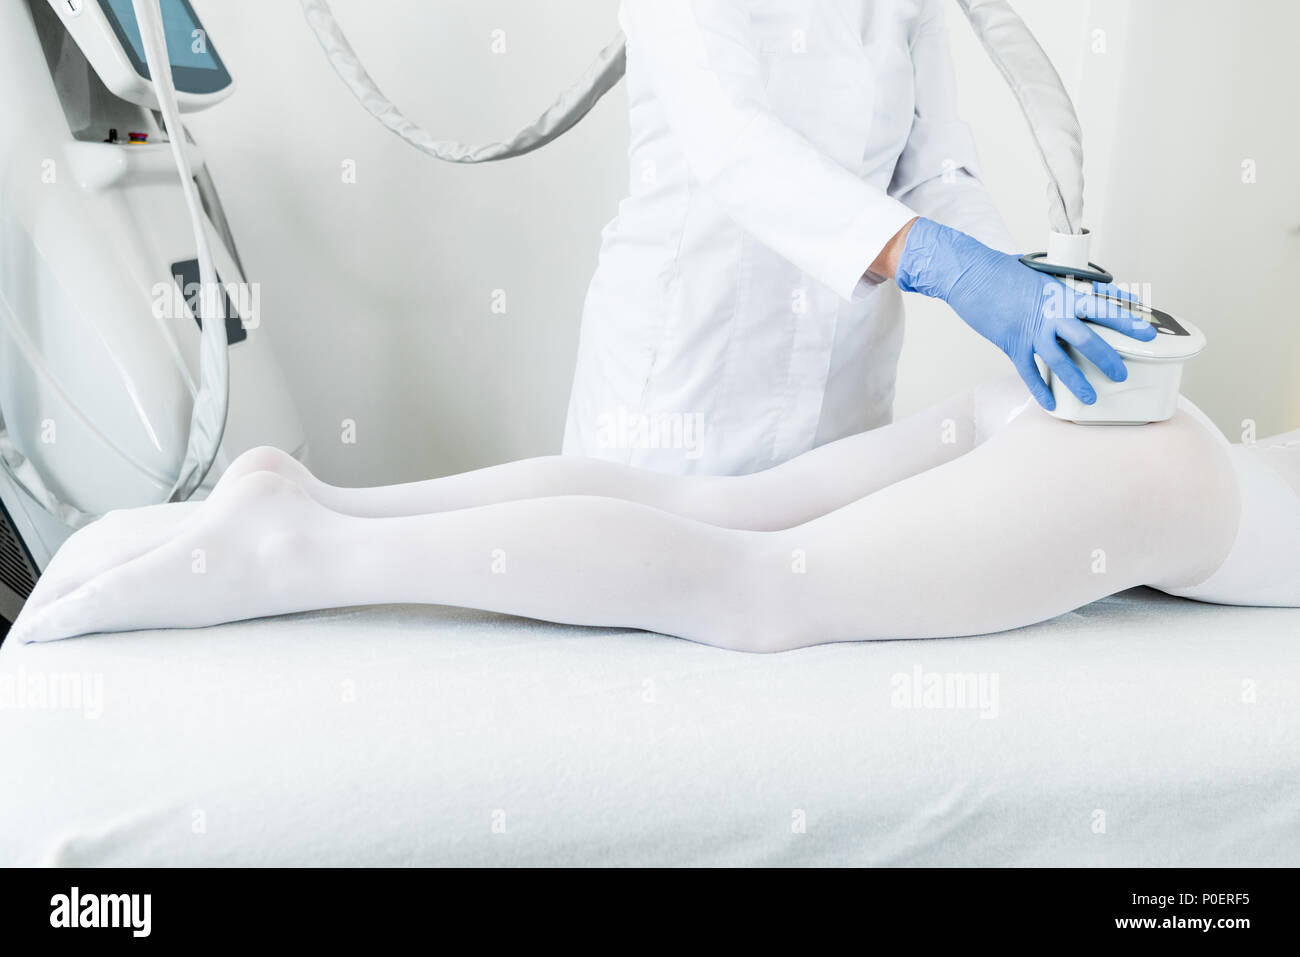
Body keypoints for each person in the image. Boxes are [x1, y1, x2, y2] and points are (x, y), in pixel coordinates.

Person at [12, 377, 1299, 648]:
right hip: (1174, 494)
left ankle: (321, 500)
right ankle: (311, 550)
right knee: (760, 592)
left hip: (1113, 433)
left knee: (718, 507)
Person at [561, 0, 1156, 476]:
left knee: (820, 601)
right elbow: (734, 145)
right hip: (682, 384)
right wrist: (940, 261)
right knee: (646, 587)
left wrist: (1009, 274)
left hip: (839, 398)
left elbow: (930, 166)